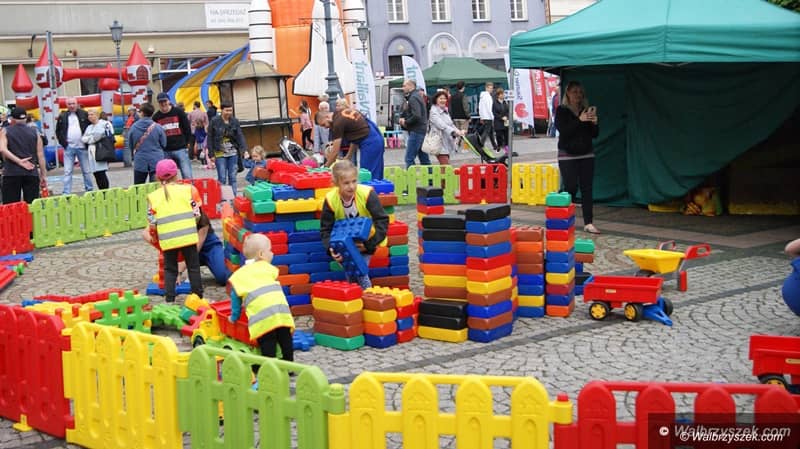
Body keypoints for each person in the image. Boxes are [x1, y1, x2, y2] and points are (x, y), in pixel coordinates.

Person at [320, 160, 388, 290]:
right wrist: (331, 249)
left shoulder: (367, 194)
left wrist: (368, 245)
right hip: (345, 244)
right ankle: (356, 296)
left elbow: (382, 220)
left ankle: (367, 294)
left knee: (359, 270)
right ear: (336, 183)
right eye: (346, 183)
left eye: (354, 181)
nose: (351, 186)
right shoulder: (330, 199)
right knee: (351, 273)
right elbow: (326, 229)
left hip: (369, 240)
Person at [142, 159, 203, 303]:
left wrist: (155, 236)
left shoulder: (153, 197)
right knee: (193, 267)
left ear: (157, 177)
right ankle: (197, 297)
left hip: (167, 239)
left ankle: (169, 299)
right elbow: (197, 214)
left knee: (170, 269)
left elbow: (152, 222)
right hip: (188, 236)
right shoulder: (189, 190)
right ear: (176, 174)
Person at [228, 233, 295, 363]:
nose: (272, 254)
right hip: (281, 312)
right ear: (261, 254)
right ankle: (289, 364)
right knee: (285, 339)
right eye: (270, 250)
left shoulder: (239, 275)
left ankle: (269, 366)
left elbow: (235, 299)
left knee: (268, 342)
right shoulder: (268, 268)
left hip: (262, 317)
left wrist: (234, 317)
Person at [555, 80, 600, 234]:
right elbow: (564, 131)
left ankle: (589, 222)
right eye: (574, 92)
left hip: (587, 154)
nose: (578, 95)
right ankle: (565, 217)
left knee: (587, 188)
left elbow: (594, 134)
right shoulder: (561, 111)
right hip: (567, 155)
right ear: (567, 93)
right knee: (570, 187)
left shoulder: (585, 111)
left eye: (580, 92)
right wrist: (579, 120)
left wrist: (594, 123)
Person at [315, 107, 385, 180]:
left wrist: (325, 168)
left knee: (368, 176)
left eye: (323, 124)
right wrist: (348, 156)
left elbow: (335, 152)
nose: (325, 127)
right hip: (375, 135)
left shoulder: (337, 123)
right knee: (376, 174)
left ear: (327, 117)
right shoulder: (341, 111)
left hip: (370, 142)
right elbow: (355, 136)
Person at [0, 107, 46, 204]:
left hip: (11, 172)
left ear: (12, 119)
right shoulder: (35, 132)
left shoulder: (5, 131)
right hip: (31, 171)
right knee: (31, 205)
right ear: (25, 118)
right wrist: (43, 175)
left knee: (10, 205)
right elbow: (40, 155)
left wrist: (19, 161)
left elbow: (3, 149)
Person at [207, 102, 247, 197]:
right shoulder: (214, 121)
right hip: (219, 153)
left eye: (230, 110)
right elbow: (210, 137)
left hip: (233, 153)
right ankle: (222, 198)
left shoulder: (234, 121)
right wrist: (211, 154)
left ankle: (233, 197)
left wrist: (244, 149)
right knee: (222, 177)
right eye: (227, 110)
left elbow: (240, 135)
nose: (229, 112)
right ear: (221, 110)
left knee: (232, 177)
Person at [56, 97, 93, 195]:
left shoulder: (84, 114)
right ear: (66, 105)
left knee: (86, 170)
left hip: (82, 146)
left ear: (77, 104)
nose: (72, 106)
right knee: (67, 171)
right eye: (69, 104)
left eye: (73, 103)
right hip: (69, 147)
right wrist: (64, 143)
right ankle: (66, 192)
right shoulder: (63, 116)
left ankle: (89, 190)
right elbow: (58, 131)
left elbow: (91, 127)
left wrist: (87, 141)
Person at [152, 92, 193, 179]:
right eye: (161, 102)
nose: (163, 103)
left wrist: (187, 143)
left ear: (169, 101)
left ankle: (189, 187)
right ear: (158, 103)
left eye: (165, 101)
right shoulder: (156, 117)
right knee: (167, 175)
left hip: (180, 148)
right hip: (165, 150)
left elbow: (187, 128)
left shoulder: (179, 112)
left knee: (187, 174)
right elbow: (155, 134)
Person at [128, 103, 167, 184]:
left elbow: (130, 144)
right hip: (156, 160)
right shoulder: (158, 127)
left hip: (140, 159)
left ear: (142, 113)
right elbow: (164, 144)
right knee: (156, 186)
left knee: (139, 186)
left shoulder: (134, 127)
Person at [398, 79, 430, 168]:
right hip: (421, 129)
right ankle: (430, 176)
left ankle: (411, 176)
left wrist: (405, 121)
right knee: (424, 158)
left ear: (410, 86)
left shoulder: (413, 98)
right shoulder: (417, 96)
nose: (403, 88)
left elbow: (417, 115)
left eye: (404, 86)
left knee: (409, 158)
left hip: (416, 131)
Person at [428, 91, 465, 166]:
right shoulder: (433, 111)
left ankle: (443, 174)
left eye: (444, 98)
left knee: (445, 166)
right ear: (436, 100)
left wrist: (459, 131)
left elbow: (451, 124)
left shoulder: (445, 110)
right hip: (438, 142)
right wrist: (454, 132)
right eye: (441, 98)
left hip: (446, 141)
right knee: (446, 165)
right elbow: (442, 125)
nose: (443, 100)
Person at [80, 110, 112, 190]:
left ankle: (105, 191)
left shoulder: (104, 124)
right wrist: (91, 138)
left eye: (92, 114)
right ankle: (101, 190)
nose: (90, 116)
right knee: (96, 173)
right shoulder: (89, 127)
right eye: (89, 115)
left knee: (101, 172)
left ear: (97, 115)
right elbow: (83, 138)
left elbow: (100, 135)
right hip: (91, 151)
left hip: (100, 150)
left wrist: (91, 138)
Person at [478, 82, 497, 151]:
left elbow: (480, 107)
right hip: (488, 116)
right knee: (486, 132)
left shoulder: (482, 96)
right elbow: (490, 108)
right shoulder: (488, 97)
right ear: (486, 88)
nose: (491, 89)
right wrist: (493, 117)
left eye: (492, 88)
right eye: (490, 88)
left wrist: (481, 116)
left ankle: (494, 145)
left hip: (485, 116)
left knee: (490, 132)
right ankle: (480, 144)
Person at [492, 88, 510, 152]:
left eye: (503, 94)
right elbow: (494, 113)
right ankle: (499, 146)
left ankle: (507, 148)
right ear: (498, 95)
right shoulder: (495, 103)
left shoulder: (505, 102)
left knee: (506, 135)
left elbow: (508, 111)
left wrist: (507, 117)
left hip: (505, 122)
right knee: (499, 135)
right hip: (498, 122)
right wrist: (501, 117)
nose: (503, 95)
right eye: (501, 94)